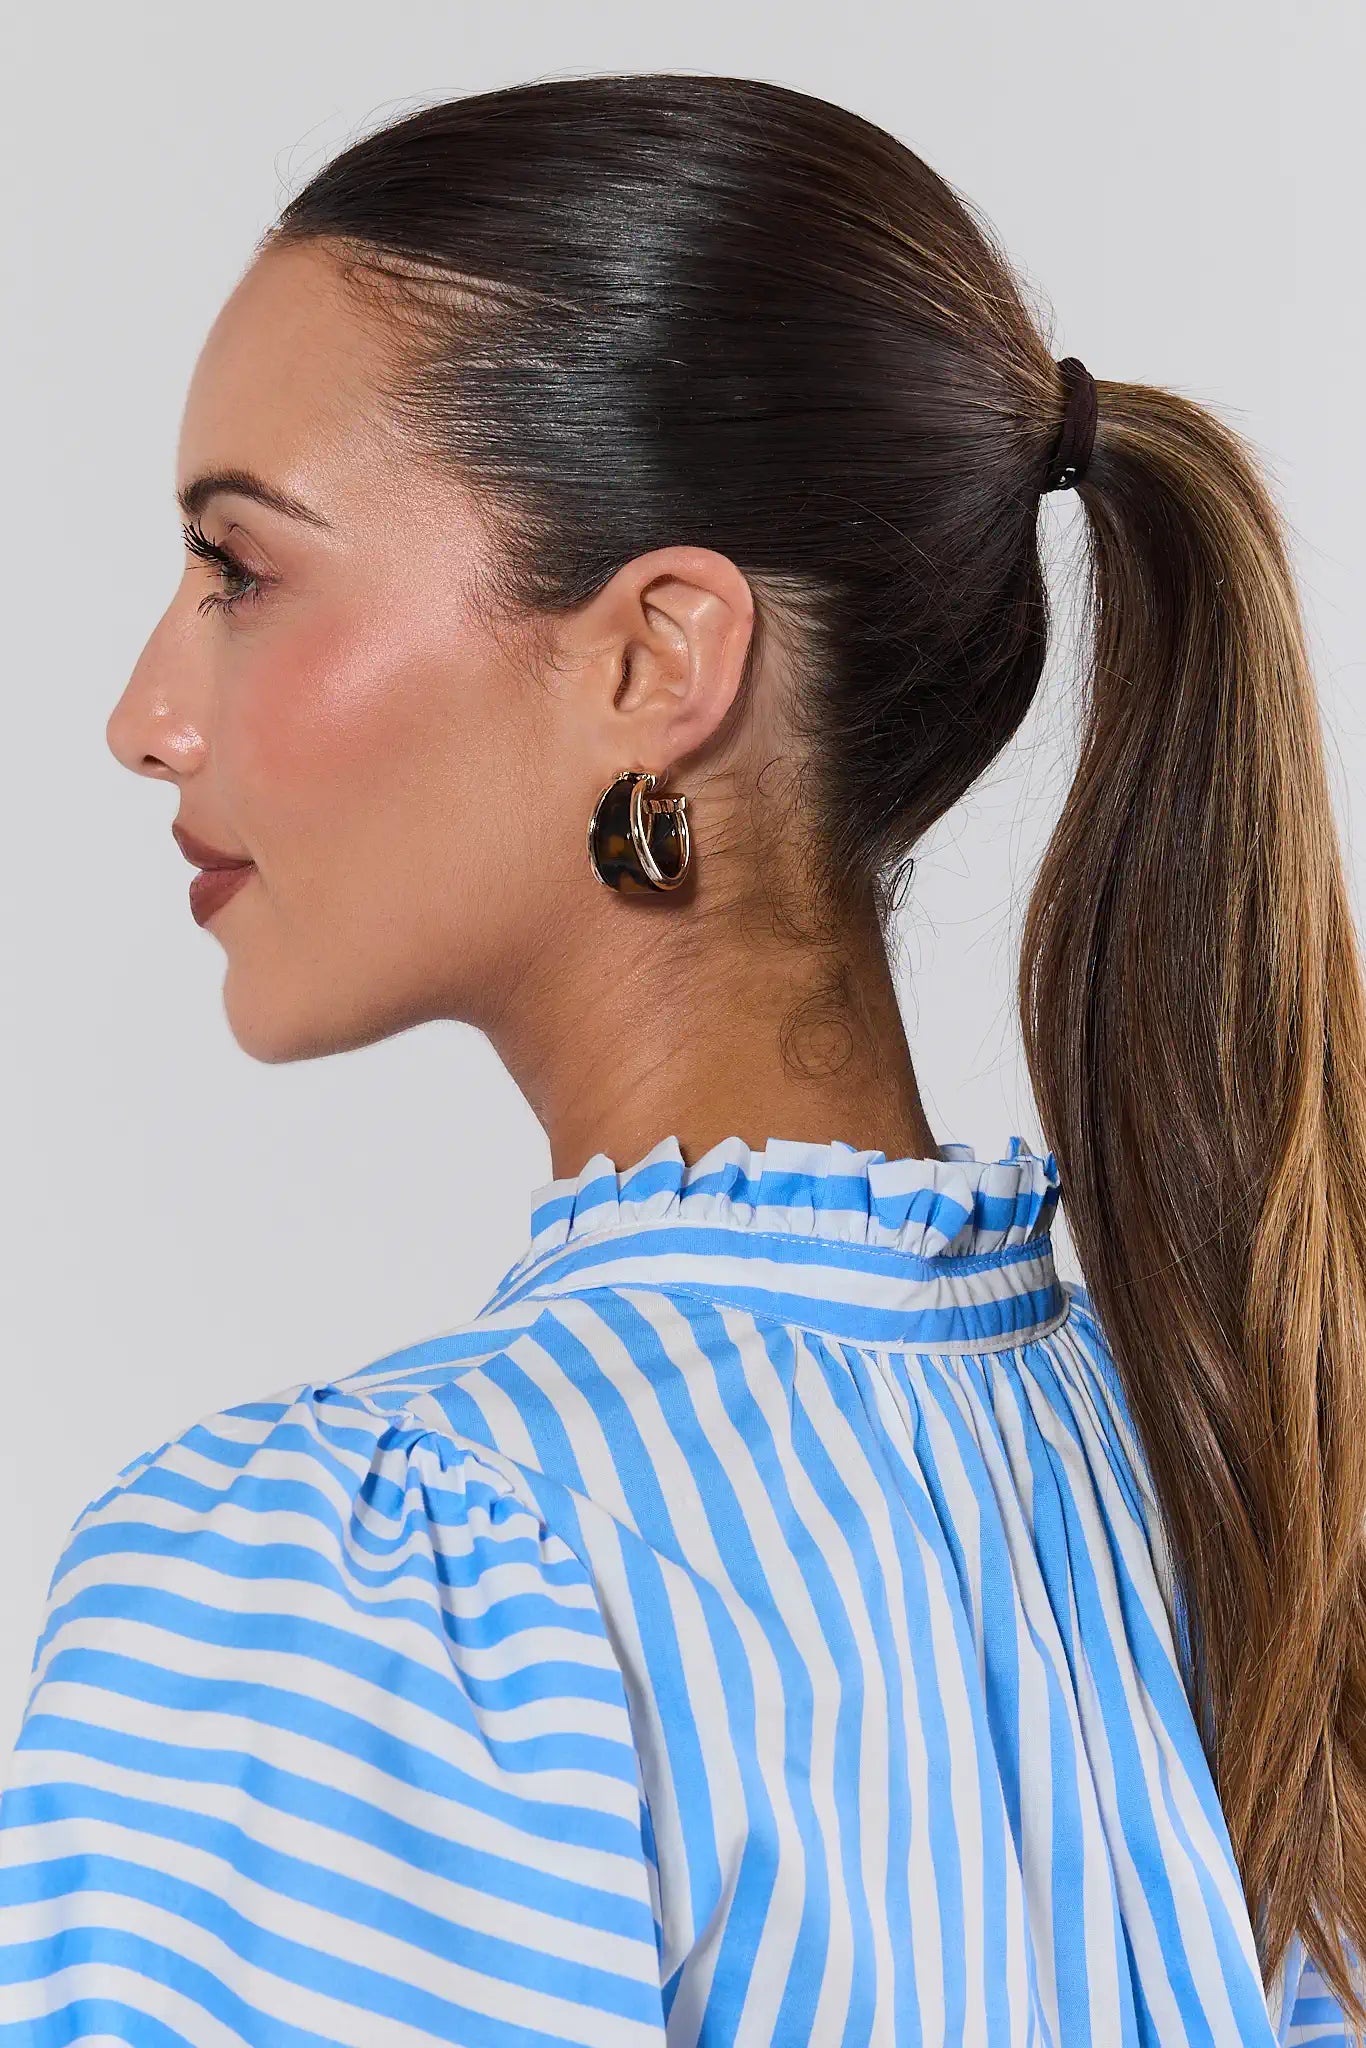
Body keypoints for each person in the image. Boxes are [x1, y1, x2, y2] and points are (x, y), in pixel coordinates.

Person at [2, 70, 1363, 2048]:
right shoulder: (1241, 1485)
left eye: (241, 570)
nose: (146, 713)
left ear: (654, 662)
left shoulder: (337, 1597)